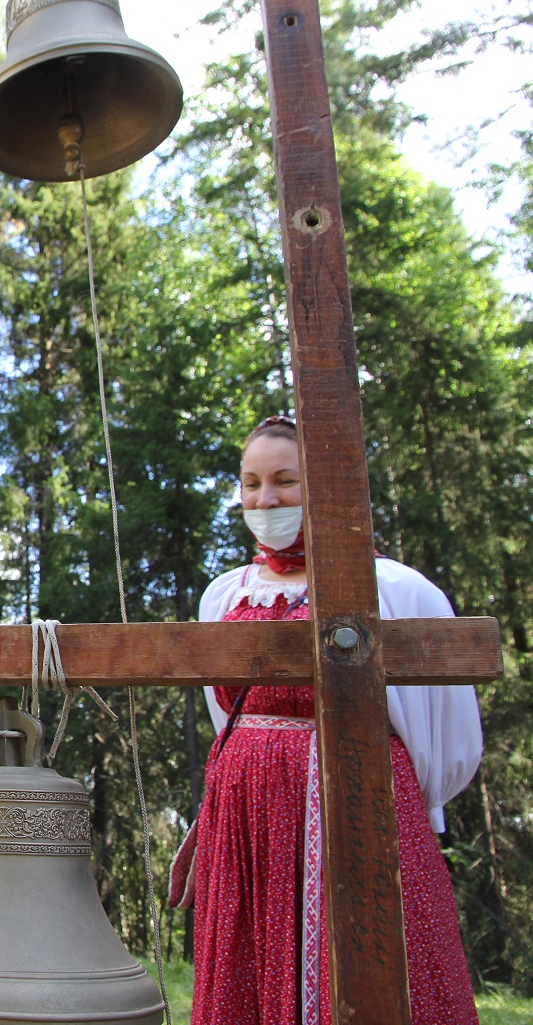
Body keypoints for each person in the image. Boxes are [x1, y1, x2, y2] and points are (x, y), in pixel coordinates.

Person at [190, 416, 482, 1025]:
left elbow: (448, 732)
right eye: (250, 483)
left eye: (284, 481)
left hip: (360, 808)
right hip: (246, 815)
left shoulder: (397, 588)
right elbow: (226, 715)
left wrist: (394, 802)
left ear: (325, 483)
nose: (264, 499)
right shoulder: (225, 594)